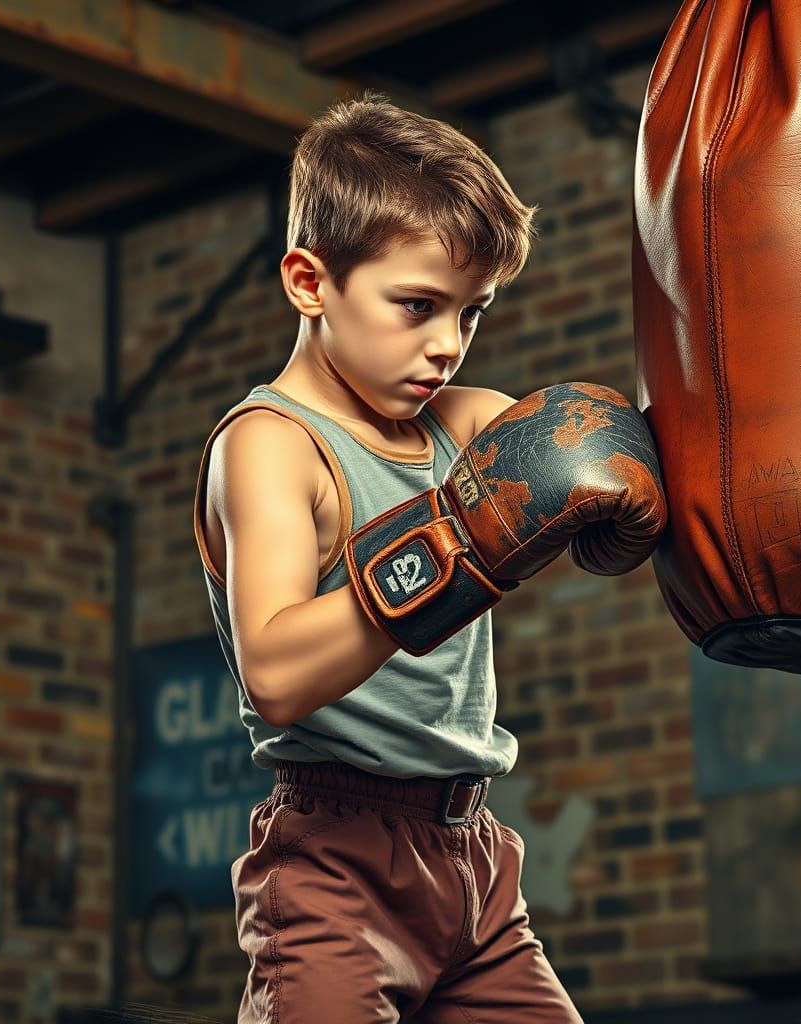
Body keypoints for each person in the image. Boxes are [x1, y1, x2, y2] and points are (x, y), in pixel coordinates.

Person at [192, 91, 664, 1023]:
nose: (446, 345)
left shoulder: (468, 426)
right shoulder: (273, 445)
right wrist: (455, 547)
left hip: (476, 863)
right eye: (417, 305)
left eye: (471, 312)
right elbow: (277, 673)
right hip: (333, 862)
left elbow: (620, 455)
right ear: (308, 281)